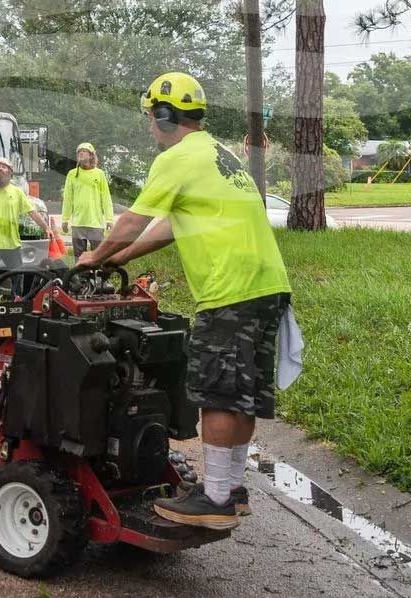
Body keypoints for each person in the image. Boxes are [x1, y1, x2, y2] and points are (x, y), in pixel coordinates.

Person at [74, 72, 295, 531]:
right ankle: (230, 491)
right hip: (268, 286)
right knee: (243, 395)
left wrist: (94, 256)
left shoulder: (177, 158)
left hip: (229, 291)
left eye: (152, 116)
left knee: (216, 394)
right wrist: (118, 260)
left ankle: (213, 499)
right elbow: (168, 227)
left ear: (163, 113)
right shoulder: (219, 154)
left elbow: (133, 221)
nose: (151, 126)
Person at [61, 142, 113, 256]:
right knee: (79, 257)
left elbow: (106, 198)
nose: (81, 153)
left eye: (84, 151)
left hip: (95, 223)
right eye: (79, 152)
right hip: (78, 223)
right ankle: (81, 274)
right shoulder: (72, 174)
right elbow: (68, 198)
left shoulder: (99, 174)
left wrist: (109, 219)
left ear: (91, 155)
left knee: (98, 255)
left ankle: (98, 274)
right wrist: (65, 219)